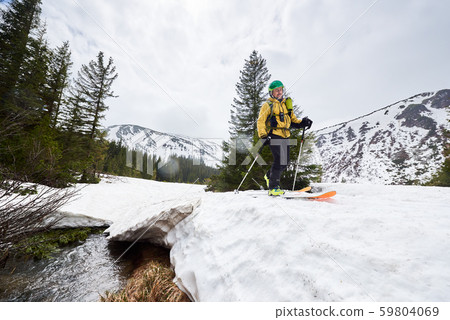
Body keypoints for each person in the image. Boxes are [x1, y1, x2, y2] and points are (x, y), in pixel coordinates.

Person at [256, 80, 313, 196]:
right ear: (271, 93)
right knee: (279, 159)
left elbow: (293, 121)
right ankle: (273, 188)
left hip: (285, 136)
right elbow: (260, 121)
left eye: (280, 90)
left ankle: (268, 176)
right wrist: (263, 136)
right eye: (276, 90)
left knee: (285, 162)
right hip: (274, 135)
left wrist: (303, 122)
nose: (279, 92)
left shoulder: (286, 104)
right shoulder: (267, 105)